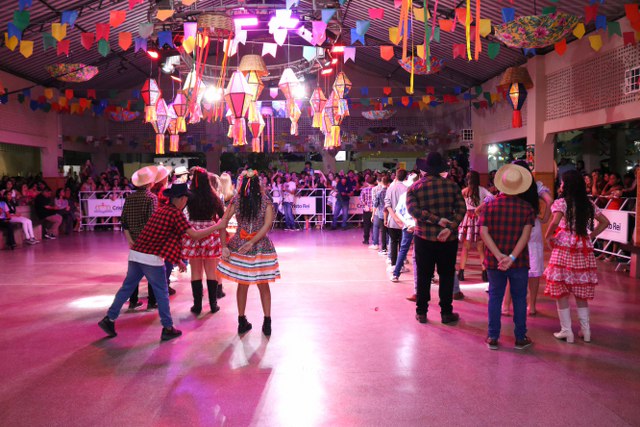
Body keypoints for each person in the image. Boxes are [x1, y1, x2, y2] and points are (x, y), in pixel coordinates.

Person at [98, 183, 226, 342]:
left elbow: (163, 238)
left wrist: (177, 260)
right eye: (186, 198)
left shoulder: (161, 210)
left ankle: (109, 319)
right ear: (181, 199)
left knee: (127, 288)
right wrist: (217, 226)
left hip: (136, 254)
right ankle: (167, 327)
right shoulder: (176, 214)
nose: (187, 201)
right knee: (162, 293)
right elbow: (194, 235)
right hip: (151, 258)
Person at [543, 170, 610, 344]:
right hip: (583, 245)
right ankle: (586, 332)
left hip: (564, 245)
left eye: (562, 182)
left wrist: (548, 236)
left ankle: (567, 331)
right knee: (581, 292)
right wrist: (591, 235)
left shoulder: (562, 203)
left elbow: (555, 222)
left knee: (561, 290)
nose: (561, 184)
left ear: (568, 185)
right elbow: (605, 222)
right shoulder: (588, 204)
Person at [478, 164, 536, 350]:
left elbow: (483, 233)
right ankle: (520, 338)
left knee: (495, 297)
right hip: (519, 262)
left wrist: (498, 256)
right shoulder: (527, 208)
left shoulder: (489, 206)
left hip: (494, 262)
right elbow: (525, 237)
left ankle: (493, 337)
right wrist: (511, 257)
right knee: (519, 299)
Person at [217, 170, 281, 336]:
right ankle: (267, 322)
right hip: (261, 247)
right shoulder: (265, 200)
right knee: (263, 284)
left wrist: (224, 245)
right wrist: (253, 241)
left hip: (239, 245)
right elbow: (267, 225)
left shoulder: (236, 201)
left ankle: (241, 321)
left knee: (242, 284)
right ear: (257, 183)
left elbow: (222, 222)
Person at [407, 152, 466, 325]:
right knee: (446, 275)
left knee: (423, 275)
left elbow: (413, 211)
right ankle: (446, 313)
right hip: (448, 239)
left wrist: (435, 220)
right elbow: (461, 209)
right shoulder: (452, 186)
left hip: (423, 237)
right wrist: (449, 227)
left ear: (425, 169)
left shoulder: (415, 188)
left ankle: (421, 312)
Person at [502, 161, 553, 316]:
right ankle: (532, 306)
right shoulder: (535, 186)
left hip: (515, 225)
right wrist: (545, 218)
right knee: (534, 268)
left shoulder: (511, 185)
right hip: (533, 225)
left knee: (512, 265)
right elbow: (550, 201)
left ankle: (506, 305)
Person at [183, 167, 226, 315]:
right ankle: (213, 305)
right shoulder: (214, 197)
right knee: (211, 271)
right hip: (210, 232)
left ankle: (197, 305)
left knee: (196, 272)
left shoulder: (189, 196)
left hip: (193, 232)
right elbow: (223, 216)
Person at [121, 166, 159, 310]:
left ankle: (132, 301)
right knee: (152, 272)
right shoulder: (151, 198)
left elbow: (124, 221)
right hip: (148, 240)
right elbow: (152, 222)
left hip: (134, 241)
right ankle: (152, 301)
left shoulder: (129, 198)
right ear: (150, 183)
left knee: (133, 273)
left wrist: (129, 239)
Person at [457, 170, 492, 283]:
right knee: (480, 248)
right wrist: (481, 206)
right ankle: (485, 273)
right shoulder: (482, 190)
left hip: (467, 218)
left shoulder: (464, 191)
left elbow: (458, 205)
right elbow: (492, 198)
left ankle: (461, 272)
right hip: (479, 218)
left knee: (465, 247)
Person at [385, 169, 408, 269]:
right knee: (402, 244)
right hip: (404, 221)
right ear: (405, 177)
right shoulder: (407, 189)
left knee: (393, 242)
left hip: (392, 220)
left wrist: (393, 217)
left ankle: (394, 264)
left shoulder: (390, 188)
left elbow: (387, 204)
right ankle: (400, 265)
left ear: (396, 176)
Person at [359, 175, 375, 245]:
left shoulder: (364, 190)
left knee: (366, 225)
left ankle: (366, 240)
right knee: (374, 226)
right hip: (374, 210)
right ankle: (375, 240)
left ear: (367, 182)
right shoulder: (377, 189)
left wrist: (365, 205)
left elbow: (361, 199)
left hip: (366, 209)